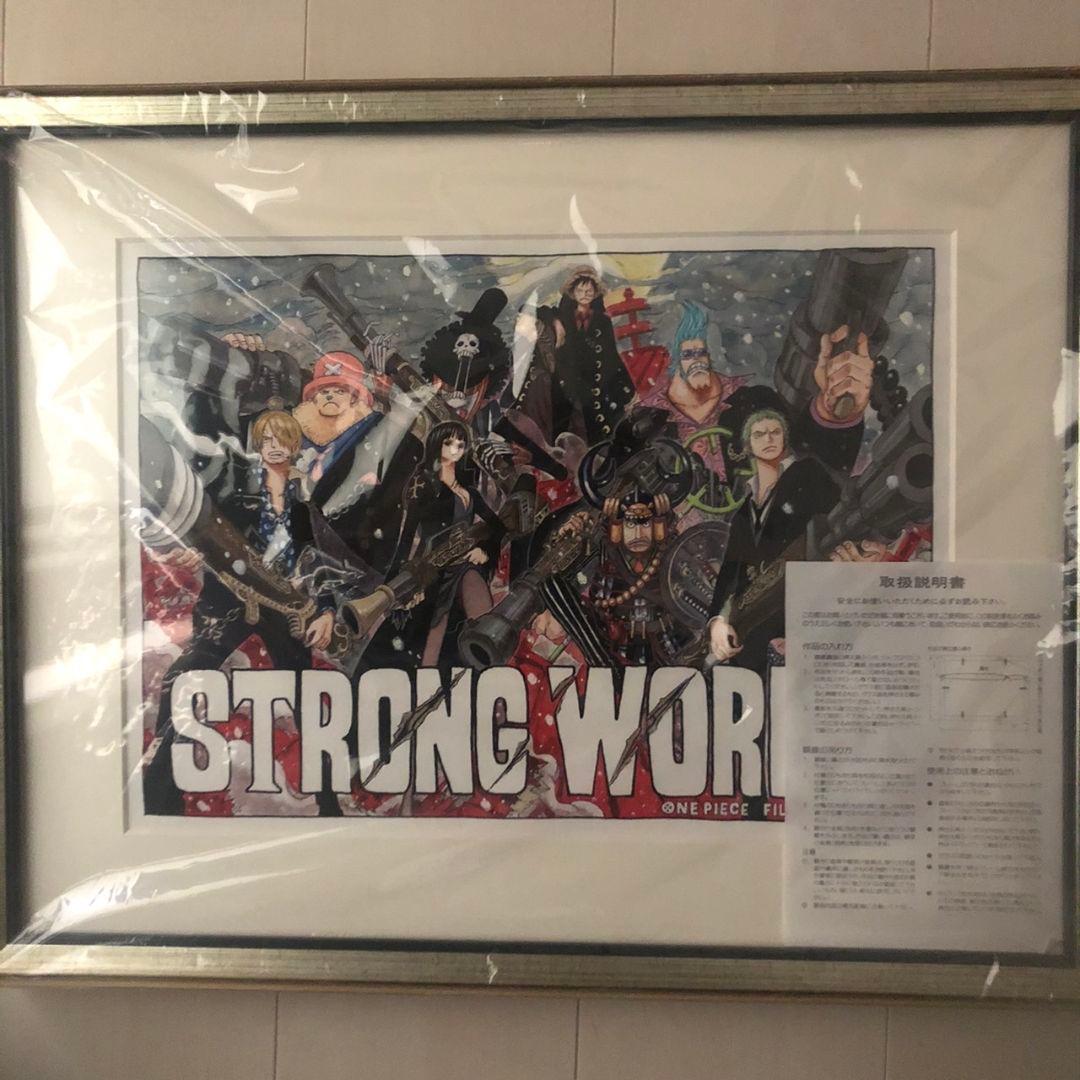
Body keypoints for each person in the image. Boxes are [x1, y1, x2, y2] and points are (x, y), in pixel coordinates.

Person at [143, 410, 340, 815]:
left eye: (282, 439)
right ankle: (159, 794)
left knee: (305, 698)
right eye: (266, 439)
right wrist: (186, 552)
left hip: (286, 609)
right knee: (184, 679)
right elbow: (203, 535)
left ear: (295, 446)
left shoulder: (305, 506)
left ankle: (328, 800)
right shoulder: (237, 496)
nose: (274, 447)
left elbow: (321, 561)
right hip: (229, 602)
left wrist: (325, 610)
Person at [707, 408, 843, 674]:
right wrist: (717, 620)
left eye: (775, 432)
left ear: (785, 438)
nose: (768, 439)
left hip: (802, 612)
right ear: (748, 446)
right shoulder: (743, 511)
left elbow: (837, 519)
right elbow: (730, 571)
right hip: (752, 628)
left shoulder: (807, 472)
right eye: (759, 434)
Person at [372, 420, 504, 669]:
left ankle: (487, 654)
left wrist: (484, 549)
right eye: (449, 442)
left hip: (464, 562)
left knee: (473, 597)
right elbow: (407, 534)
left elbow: (497, 526)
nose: (456, 448)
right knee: (432, 627)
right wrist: (399, 579)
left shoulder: (469, 491)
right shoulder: (424, 485)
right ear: (436, 445)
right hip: (432, 566)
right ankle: (427, 673)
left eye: (461, 444)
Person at [549, 266, 635, 445]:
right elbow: (529, 310)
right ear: (573, 293)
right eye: (580, 291)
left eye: (589, 291)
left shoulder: (603, 321)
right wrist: (555, 322)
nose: (584, 295)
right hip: (566, 381)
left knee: (596, 429)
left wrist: (628, 386)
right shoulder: (562, 317)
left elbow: (611, 354)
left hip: (592, 383)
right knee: (561, 428)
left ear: (595, 293)